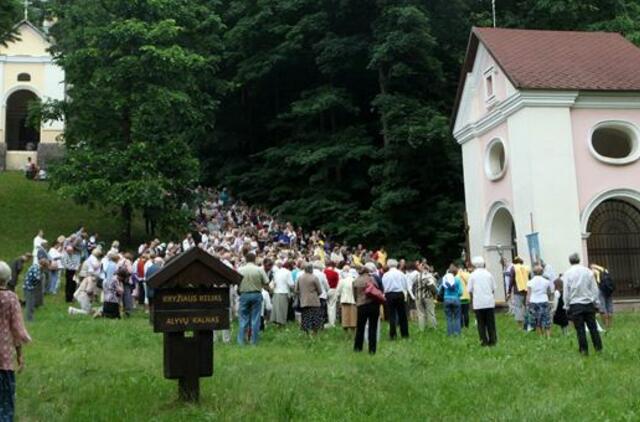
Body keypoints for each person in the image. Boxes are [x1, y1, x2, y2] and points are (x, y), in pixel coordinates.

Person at [0, 261, 32, 422]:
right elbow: (17, 328)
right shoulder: (11, 298)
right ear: (7, 278)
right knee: (5, 399)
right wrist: (20, 354)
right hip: (4, 357)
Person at [563, 253, 603, 355]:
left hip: (575, 304)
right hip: (588, 303)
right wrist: (596, 303)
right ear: (579, 260)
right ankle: (598, 348)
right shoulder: (588, 271)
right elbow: (594, 288)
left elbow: (566, 291)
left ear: (570, 261)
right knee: (593, 328)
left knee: (580, 330)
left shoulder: (567, 273)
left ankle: (584, 351)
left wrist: (566, 305)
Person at [237, 252, 268, 345]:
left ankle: (241, 341)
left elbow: (236, 282)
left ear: (246, 259)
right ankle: (254, 341)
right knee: (255, 318)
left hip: (244, 294)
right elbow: (266, 282)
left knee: (243, 318)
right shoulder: (259, 270)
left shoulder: (240, 269)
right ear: (255, 259)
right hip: (256, 294)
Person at [467, 257, 497, 346]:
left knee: (481, 324)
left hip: (478, 303)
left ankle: (483, 341)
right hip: (489, 302)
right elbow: (493, 288)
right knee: (491, 323)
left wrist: (472, 300)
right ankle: (493, 340)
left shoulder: (472, 275)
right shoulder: (489, 274)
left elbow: (469, 289)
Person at [353, 265, 381, 354]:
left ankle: (358, 348)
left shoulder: (356, 281)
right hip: (373, 305)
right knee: (373, 327)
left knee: (360, 327)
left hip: (361, 306)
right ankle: (372, 349)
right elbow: (377, 289)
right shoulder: (372, 279)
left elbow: (354, 295)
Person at [381, 259, 409, 339]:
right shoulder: (401, 274)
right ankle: (404, 334)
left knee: (391, 315)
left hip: (389, 295)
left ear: (388, 265)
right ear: (397, 265)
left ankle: (392, 334)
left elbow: (384, 286)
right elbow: (405, 285)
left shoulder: (385, 275)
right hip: (399, 294)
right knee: (402, 315)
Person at [295, 264, 324, 335]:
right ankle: (315, 333)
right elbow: (320, 291)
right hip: (314, 301)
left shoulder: (300, 278)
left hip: (304, 301)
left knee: (305, 317)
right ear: (311, 269)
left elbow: (296, 290)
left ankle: (306, 333)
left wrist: (302, 294)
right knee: (315, 317)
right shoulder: (314, 278)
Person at [527, 265, 554, 337]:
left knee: (537, 319)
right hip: (544, 300)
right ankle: (548, 335)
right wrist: (551, 301)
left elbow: (528, 294)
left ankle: (541, 335)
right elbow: (549, 293)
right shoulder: (546, 281)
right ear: (542, 272)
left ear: (533, 272)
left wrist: (527, 303)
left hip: (533, 301)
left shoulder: (530, 282)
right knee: (546, 318)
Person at [411, 261, 437, 330]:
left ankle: (422, 328)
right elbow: (431, 285)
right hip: (427, 296)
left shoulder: (416, 276)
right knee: (430, 312)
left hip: (418, 297)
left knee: (420, 314)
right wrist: (435, 292)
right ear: (427, 268)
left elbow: (413, 286)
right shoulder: (428, 275)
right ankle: (432, 327)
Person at [439, 263, 463, 336]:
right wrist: (457, 295)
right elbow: (461, 292)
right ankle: (457, 333)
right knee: (457, 317)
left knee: (449, 318)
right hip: (456, 299)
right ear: (456, 272)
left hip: (446, 299)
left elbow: (439, 289)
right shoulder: (457, 280)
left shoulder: (445, 279)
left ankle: (450, 333)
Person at [508, 257, 530, 329]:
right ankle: (528, 324)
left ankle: (520, 326)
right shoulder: (526, 268)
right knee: (526, 307)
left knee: (518, 307)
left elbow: (511, 280)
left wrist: (509, 291)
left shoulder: (513, 268)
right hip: (526, 290)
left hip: (518, 290)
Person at [270, 261, 294, 326]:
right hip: (284, 291)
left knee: (276, 309)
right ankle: (282, 323)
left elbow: (273, 282)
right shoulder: (288, 272)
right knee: (283, 309)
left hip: (276, 291)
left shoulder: (277, 272)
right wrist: (294, 290)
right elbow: (291, 284)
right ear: (289, 267)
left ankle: (276, 322)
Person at [591, 264, 614, 330]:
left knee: (603, 309)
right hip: (608, 290)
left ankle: (606, 326)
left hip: (600, 291)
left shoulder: (594, 272)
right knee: (609, 307)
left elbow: (596, 282)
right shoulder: (605, 270)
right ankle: (610, 325)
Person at [335, 264, 357, 333]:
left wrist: (337, 298)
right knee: (353, 317)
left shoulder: (342, 281)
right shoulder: (355, 280)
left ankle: (346, 332)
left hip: (345, 300)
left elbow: (338, 291)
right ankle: (353, 332)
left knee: (345, 317)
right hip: (353, 301)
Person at [324, 261, 339, 327]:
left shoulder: (324, 272)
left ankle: (326, 321)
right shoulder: (335, 273)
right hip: (333, 289)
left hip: (326, 290)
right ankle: (332, 322)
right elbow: (338, 282)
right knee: (332, 306)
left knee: (326, 306)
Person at [457, 264, 471, 329]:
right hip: (466, 296)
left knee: (460, 313)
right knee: (466, 312)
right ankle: (467, 326)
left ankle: (461, 326)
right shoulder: (467, 274)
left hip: (459, 297)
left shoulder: (456, 276)